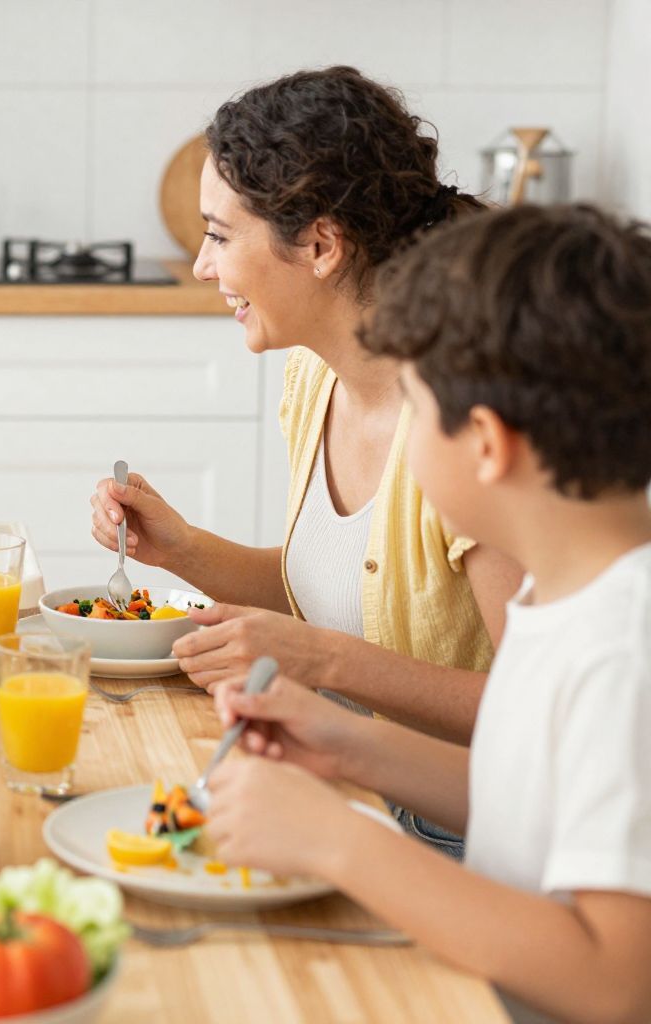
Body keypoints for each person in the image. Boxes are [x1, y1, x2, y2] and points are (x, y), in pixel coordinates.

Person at [206, 205, 651, 1024]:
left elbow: (616, 982)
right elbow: (530, 803)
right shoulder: (561, 599)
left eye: (412, 405)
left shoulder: (623, 652)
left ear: (485, 443)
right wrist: (346, 746)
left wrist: (341, 841)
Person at [90, 66, 520, 749]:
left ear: (321, 245)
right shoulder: (311, 379)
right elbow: (335, 593)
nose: (202, 266)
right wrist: (182, 549)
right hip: (337, 763)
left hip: (454, 828)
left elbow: (538, 712)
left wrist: (319, 660)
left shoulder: (468, 427)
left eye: (220, 236)